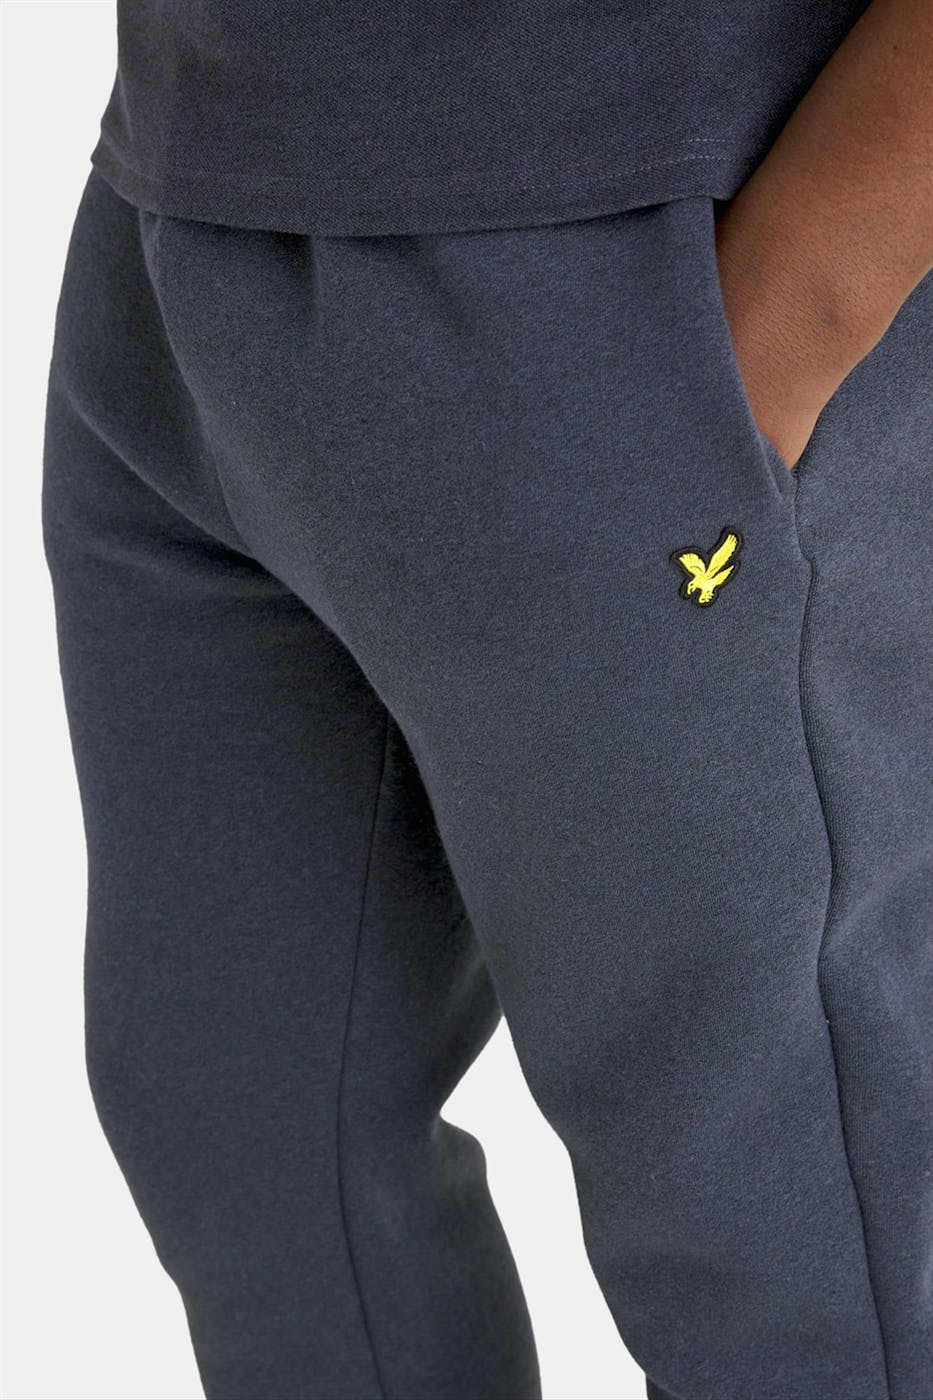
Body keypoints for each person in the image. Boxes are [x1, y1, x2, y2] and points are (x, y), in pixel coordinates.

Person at [42, 2, 931, 1397]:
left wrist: (796, 303)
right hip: (182, 223)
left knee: (782, 1242)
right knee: (255, 1138)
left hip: (630, 267)